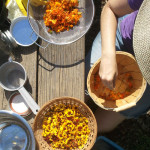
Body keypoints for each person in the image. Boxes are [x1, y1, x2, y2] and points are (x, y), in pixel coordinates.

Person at [85, 0, 150, 133]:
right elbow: (111, 9)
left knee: (101, 125)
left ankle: (88, 131)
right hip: (122, 40)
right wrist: (108, 55)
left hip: (147, 80)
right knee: (82, 86)